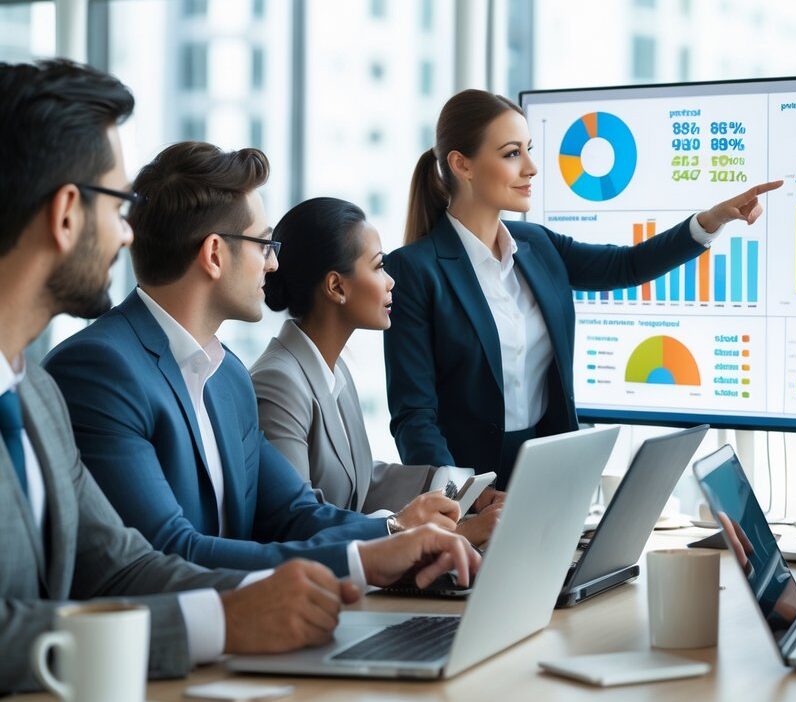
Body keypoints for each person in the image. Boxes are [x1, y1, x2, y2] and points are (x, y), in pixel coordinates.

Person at [0, 59, 477, 693]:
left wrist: (374, 552)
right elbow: (167, 550)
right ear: (65, 214)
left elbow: (122, 566)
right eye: (118, 205)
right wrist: (226, 621)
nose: (125, 231)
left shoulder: (35, 388)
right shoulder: (90, 371)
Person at [43, 141, 476, 582]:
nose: (272, 264)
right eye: (264, 244)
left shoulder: (228, 375)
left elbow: (292, 512)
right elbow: (169, 551)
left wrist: (394, 532)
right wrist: (365, 559)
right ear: (214, 254)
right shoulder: (102, 370)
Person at [385, 89, 782, 487]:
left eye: (529, 149)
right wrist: (463, 498)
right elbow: (414, 417)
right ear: (462, 165)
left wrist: (709, 221)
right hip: (465, 488)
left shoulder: (537, 245)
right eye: (511, 153)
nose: (531, 168)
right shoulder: (415, 271)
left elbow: (624, 266)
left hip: (548, 476)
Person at [252, 197, 502, 544]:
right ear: (337, 286)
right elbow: (297, 521)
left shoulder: (335, 368)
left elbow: (362, 481)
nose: (390, 282)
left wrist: (467, 494)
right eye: (378, 266)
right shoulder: (278, 382)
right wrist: (459, 531)